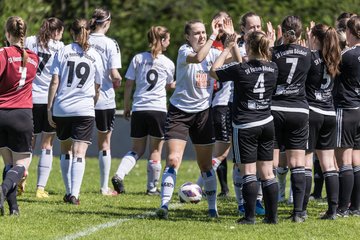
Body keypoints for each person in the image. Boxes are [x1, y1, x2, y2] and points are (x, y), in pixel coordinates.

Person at [155, 19, 222, 219]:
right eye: (197, 33)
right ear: (187, 37)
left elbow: (236, 59)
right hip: (179, 113)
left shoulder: (213, 52)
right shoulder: (184, 51)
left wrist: (231, 42)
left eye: (203, 32)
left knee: (205, 166)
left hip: (203, 113)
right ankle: (164, 206)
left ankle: (212, 209)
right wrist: (213, 36)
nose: (201, 36)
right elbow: (199, 57)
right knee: (173, 160)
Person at [211, 30, 279, 224]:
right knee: (267, 173)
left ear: (248, 47)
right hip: (267, 122)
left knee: (248, 172)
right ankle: (272, 218)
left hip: (246, 124)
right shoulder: (274, 67)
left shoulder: (241, 68)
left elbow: (213, 71)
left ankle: (249, 217)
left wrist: (227, 49)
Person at [111, 25, 175, 195]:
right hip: (158, 109)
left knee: (137, 149)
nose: (169, 42)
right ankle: (152, 188)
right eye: (167, 39)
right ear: (161, 40)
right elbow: (169, 85)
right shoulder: (168, 63)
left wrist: (126, 106)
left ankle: (119, 174)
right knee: (155, 150)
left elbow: (129, 83)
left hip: (139, 108)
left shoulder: (138, 58)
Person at [47, 18, 103, 205]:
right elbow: (97, 87)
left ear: (72, 32)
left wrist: (49, 108)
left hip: (62, 107)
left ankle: (68, 191)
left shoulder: (62, 51)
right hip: (84, 108)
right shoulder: (95, 55)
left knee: (65, 150)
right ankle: (75, 195)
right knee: (80, 153)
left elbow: (54, 82)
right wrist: (92, 103)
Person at [271, 15, 311, 222]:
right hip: (299, 110)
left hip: (276, 108)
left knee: (271, 163)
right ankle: (298, 213)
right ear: (301, 32)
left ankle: (271, 212)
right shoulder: (308, 54)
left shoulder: (273, 52)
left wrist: (274, 43)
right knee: (298, 163)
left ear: (282, 31)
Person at [0, 16, 39, 215]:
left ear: (7, 34)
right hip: (22, 115)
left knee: (8, 165)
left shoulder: (3, 53)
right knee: (21, 167)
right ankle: (3, 191)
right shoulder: (34, 57)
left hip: (1, 113)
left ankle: (13, 208)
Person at [24, 17, 64, 198]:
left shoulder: (30, 41)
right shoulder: (61, 47)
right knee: (47, 145)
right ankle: (40, 188)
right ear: (56, 32)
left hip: (29, 98)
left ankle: (20, 181)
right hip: (49, 100)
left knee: (28, 143)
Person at [304, 23, 341, 219]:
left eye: (311, 35)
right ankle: (333, 210)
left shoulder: (310, 57)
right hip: (329, 113)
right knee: (328, 164)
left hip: (312, 112)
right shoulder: (334, 57)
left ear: (316, 38)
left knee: (307, 161)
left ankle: (301, 210)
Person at [195, 11, 232, 198]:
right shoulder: (213, 48)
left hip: (230, 105)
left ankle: (225, 189)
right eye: (219, 23)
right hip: (220, 104)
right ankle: (198, 185)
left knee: (225, 150)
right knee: (222, 150)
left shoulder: (235, 44)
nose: (222, 26)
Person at [89, 8, 122, 196]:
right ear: (107, 23)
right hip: (104, 100)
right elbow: (114, 73)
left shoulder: (83, 40)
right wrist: (118, 80)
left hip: (81, 99)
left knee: (75, 145)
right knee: (104, 144)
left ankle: (72, 189)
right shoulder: (111, 43)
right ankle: (103, 187)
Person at [333, 15, 360, 217]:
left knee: (345, 162)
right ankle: (356, 207)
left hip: (346, 108)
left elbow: (330, 70)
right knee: (357, 159)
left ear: (349, 33)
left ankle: (342, 207)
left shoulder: (346, 54)